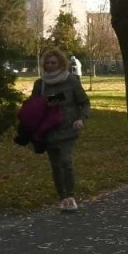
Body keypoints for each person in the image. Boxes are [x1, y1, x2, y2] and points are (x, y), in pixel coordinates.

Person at [32, 49, 90, 211]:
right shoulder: (40, 83)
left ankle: (70, 196)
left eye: (54, 63)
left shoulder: (70, 81)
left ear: (61, 63)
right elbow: (34, 106)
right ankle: (62, 197)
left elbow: (84, 102)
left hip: (68, 129)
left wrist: (81, 118)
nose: (50, 66)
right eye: (48, 63)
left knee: (66, 161)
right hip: (48, 131)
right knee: (56, 165)